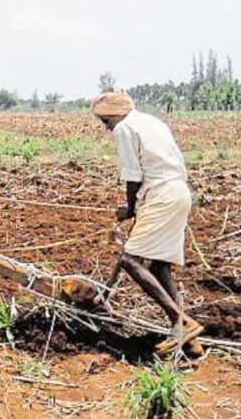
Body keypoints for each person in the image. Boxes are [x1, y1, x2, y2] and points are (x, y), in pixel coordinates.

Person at [92, 88, 204, 357]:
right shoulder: (151, 121)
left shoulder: (124, 128)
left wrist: (130, 208)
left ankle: (183, 322)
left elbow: (133, 175)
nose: (107, 129)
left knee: (131, 260)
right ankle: (190, 342)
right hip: (178, 192)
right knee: (159, 265)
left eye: (105, 122)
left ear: (114, 116)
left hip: (160, 195)